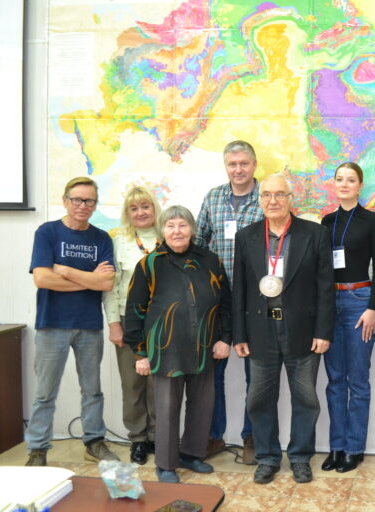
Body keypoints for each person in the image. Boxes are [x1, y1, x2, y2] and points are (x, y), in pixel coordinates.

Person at [232, 174, 335, 485]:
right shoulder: (246, 236)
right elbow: (240, 289)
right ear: (260, 199)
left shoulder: (315, 234)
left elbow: (326, 288)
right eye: (266, 195)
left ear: (291, 199)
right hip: (260, 330)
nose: (272, 200)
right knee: (259, 400)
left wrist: (323, 331)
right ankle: (267, 457)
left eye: (279, 194)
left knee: (306, 399)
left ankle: (301, 457)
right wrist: (239, 334)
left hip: (302, 330)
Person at [124, 205, 232, 483]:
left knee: (202, 404)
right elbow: (135, 310)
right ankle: (166, 463)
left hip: (204, 347)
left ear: (192, 229)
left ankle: (191, 454)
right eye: (170, 226)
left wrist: (224, 338)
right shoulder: (149, 264)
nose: (177, 231)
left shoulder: (210, 260)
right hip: (165, 350)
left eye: (182, 225)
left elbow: (226, 303)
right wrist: (140, 353)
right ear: (162, 230)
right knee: (167, 407)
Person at [26, 176, 119, 466]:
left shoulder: (102, 239)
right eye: (77, 199)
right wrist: (90, 280)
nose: (82, 205)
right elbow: (42, 279)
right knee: (45, 393)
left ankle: (94, 441)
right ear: (65, 201)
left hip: (89, 326)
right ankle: (37, 449)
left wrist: (65, 271)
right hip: (52, 324)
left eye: (89, 201)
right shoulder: (47, 232)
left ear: (95, 205)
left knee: (92, 390)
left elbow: (106, 284)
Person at [195, 140, 263, 463]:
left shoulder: (267, 198)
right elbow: (198, 243)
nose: (238, 170)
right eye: (232, 164)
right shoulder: (213, 198)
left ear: (254, 165)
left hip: (256, 301)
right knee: (212, 375)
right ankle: (213, 436)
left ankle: (252, 437)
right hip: (216, 302)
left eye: (244, 163)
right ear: (226, 166)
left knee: (257, 375)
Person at [320, 162, 375, 473]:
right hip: (330, 302)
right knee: (335, 380)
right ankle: (336, 446)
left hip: (360, 301)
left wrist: (373, 308)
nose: (344, 184)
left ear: (360, 186)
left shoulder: (372, 220)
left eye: (351, 180)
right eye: (340, 179)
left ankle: (354, 448)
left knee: (357, 380)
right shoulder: (326, 221)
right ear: (334, 184)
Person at [103, 186, 161, 465]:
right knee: (133, 382)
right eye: (134, 208)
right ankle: (138, 439)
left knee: (159, 383)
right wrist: (114, 324)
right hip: (130, 321)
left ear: (155, 208)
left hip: (162, 322)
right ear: (127, 213)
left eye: (145, 206)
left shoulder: (168, 237)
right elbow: (111, 288)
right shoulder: (120, 242)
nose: (140, 213)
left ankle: (158, 436)